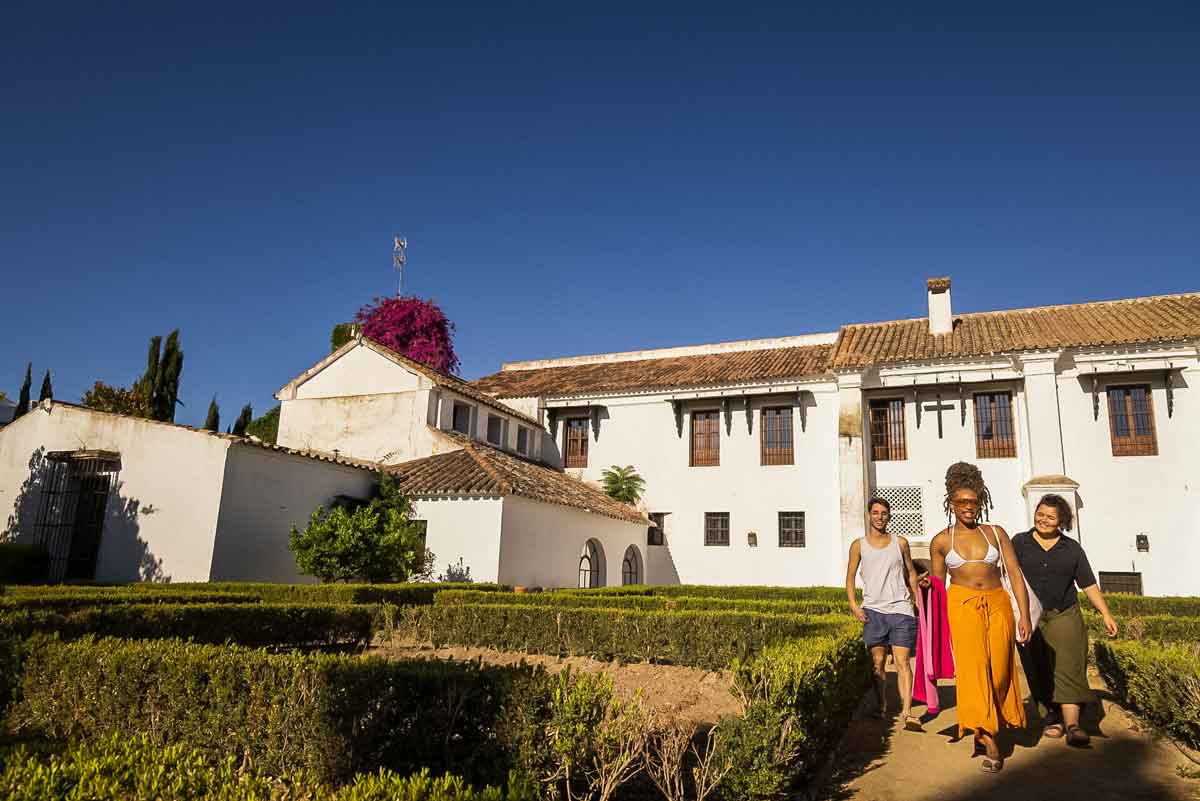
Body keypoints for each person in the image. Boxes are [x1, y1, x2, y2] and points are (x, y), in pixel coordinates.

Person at [930, 462, 1031, 773]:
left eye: (973, 502)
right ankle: (987, 737)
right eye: (961, 502)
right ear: (950, 503)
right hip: (961, 606)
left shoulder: (996, 534)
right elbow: (936, 587)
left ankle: (987, 721)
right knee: (973, 671)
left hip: (998, 603)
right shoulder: (941, 541)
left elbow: (1014, 573)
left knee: (1000, 670)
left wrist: (1023, 615)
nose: (967, 508)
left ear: (981, 502)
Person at [1012, 493, 1118, 748]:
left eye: (1051, 517)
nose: (1043, 520)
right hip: (1029, 616)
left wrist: (1106, 613)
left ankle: (1073, 724)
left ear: (1062, 520)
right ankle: (1052, 717)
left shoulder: (1071, 549)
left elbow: (1088, 583)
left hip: (1064, 613)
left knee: (1068, 665)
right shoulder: (1019, 543)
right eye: (1040, 514)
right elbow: (1005, 573)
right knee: (1037, 667)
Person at [846, 497, 924, 728]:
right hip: (873, 611)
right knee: (878, 663)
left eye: (884, 513)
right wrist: (854, 605)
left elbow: (911, 572)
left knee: (902, 663)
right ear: (869, 515)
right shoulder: (858, 545)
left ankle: (907, 712)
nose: (880, 517)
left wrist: (915, 599)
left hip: (901, 610)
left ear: (889, 516)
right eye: (876, 513)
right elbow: (850, 577)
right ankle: (881, 705)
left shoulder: (900, 543)